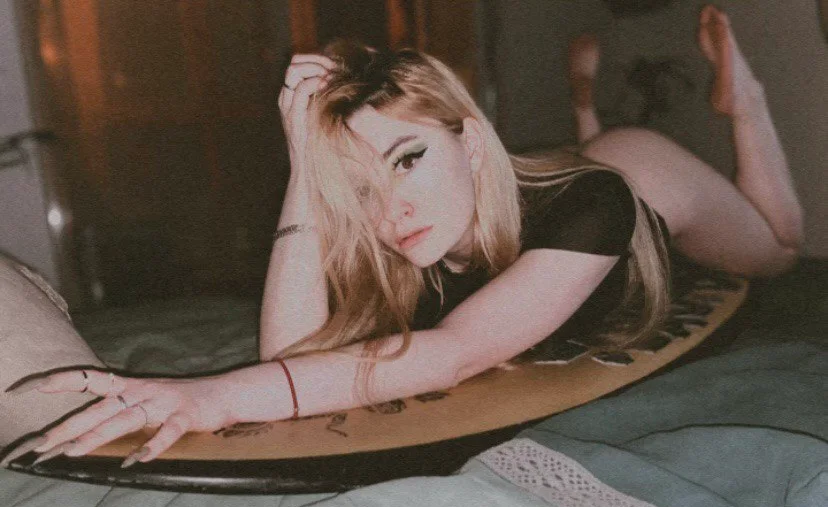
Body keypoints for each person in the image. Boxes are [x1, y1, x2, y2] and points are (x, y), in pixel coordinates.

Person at [1, 5, 803, 469]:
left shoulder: (597, 203)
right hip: (525, 184)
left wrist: (211, 395)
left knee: (778, 248)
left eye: (408, 158)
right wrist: (306, 163)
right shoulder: (413, 249)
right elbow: (290, 355)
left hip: (642, 179)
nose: (390, 208)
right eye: (360, 188)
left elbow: (453, 353)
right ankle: (582, 102)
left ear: (471, 142)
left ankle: (746, 102)